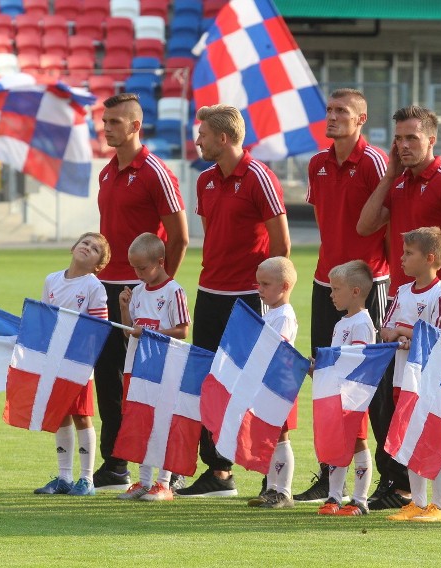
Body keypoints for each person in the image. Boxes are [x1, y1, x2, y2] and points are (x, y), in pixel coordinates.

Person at [357, 105, 441, 513]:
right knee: (401, 398)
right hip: (401, 300)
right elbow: (366, 225)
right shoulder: (399, 181)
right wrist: (390, 174)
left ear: (431, 139)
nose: (404, 145)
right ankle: (403, 485)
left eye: (412, 138)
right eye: (398, 138)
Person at [177, 103, 290, 498]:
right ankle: (219, 472)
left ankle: (272, 477)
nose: (198, 141)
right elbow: (213, 233)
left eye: (203, 135)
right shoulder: (205, 180)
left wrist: (268, 295)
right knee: (209, 381)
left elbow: (282, 246)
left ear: (223, 138)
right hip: (210, 292)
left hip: (248, 297)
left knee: (254, 385)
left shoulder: (260, 177)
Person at [296, 88, 390, 504]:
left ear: (361, 119)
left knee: (374, 386)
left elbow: (386, 222)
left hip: (370, 285)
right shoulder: (316, 163)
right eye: (329, 111)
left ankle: (388, 478)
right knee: (328, 380)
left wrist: (370, 278)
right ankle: (329, 474)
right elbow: (324, 221)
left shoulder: (375, 162)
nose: (332, 117)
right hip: (324, 283)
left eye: (341, 112)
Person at [94, 93, 188, 491]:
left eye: (114, 122)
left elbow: (180, 237)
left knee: (156, 382)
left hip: (145, 290)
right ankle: (116, 463)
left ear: (135, 126)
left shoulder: (156, 172)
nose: (107, 128)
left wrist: (159, 289)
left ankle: (172, 466)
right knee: (110, 378)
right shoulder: (105, 172)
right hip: (106, 288)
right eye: (105, 121)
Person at [381, 227, 441, 523]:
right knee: (411, 436)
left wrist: (403, 333)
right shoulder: (400, 292)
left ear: (430, 258)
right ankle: (418, 502)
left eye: (409, 253)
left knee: (433, 438)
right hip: (404, 377)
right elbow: (386, 330)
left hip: (429, 379)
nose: (401, 258)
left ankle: (440, 506)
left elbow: (436, 339)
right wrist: (403, 335)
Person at [33, 232, 111, 497]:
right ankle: (64, 477)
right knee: (60, 414)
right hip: (54, 359)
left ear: (99, 265)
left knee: (81, 414)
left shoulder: (94, 287)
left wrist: (83, 356)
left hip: (78, 361)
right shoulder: (51, 280)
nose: (88, 248)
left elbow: (99, 328)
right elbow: (44, 319)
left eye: (95, 249)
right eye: (85, 243)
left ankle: (86, 479)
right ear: (72, 247)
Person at [115, 233, 190, 502]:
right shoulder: (136, 292)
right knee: (140, 421)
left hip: (164, 369)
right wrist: (124, 309)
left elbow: (182, 330)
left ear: (160, 262)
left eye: (142, 268)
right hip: (137, 366)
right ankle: (144, 482)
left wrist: (151, 333)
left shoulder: (174, 291)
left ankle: (164, 483)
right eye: (134, 267)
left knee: (163, 423)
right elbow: (129, 333)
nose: (137, 273)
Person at [314, 260, 377, 517]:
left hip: (355, 395)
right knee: (337, 444)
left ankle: (360, 500)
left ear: (355, 291)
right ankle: (334, 496)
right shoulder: (341, 323)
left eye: (336, 289)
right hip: (335, 394)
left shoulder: (362, 322)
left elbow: (358, 359)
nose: (331, 295)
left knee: (358, 442)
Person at [243, 256, 299, 509]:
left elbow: (279, 351)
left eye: (265, 284)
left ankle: (283, 492)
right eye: (259, 284)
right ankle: (273, 489)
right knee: (271, 437)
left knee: (280, 437)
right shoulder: (272, 313)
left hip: (280, 384)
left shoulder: (284, 315)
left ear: (284, 286)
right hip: (268, 384)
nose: (260, 289)